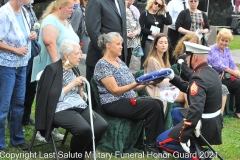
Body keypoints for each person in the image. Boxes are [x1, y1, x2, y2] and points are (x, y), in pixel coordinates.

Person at [93, 32, 165, 154]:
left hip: (126, 100)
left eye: (121, 44)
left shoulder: (120, 63)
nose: (121, 46)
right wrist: (137, 83)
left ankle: (160, 143)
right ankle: (151, 146)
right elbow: (115, 91)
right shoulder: (102, 65)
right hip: (112, 103)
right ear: (108, 45)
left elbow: (133, 88)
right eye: (118, 44)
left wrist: (149, 82)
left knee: (157, 102)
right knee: (153, 106)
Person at [36, 39, 108, 159]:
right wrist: (72, 84)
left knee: (101, 125)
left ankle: (85, 152)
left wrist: (80, 89)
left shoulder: (74, 69)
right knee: (83, 129)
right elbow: (50, 99)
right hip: (60, 109)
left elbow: (83, 98)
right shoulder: (52, 69)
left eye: (80, 53)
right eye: (77, 53)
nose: (80, 56)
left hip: (79, 106)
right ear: (66, 56)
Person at [156, 42, 223, 158]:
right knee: (176, 112)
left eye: (187, 56)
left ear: (194, 57)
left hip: (204, 125)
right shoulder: (210, 72)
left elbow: (196, 109)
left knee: (160, 142)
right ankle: (194, 144)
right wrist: (173, 77)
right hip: (214, 123)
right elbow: (191, 89)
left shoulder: (199, 77)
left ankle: (199, 153)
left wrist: (183, 135)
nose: (186, 61)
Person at [0, 0, 38, 151]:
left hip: (22, 64)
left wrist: (32, 34)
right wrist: (13, 50)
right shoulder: (4, 13)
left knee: (18, 103)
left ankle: (17, 139)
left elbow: (22, 33)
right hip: (6, 66)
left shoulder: (24, 10)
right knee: (3, 106)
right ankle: (1, 143)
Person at [175, 33, 229, 115]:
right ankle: (188, 115)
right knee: (191, 91)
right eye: (191, 43)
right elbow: (188, 74)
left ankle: (219, 114)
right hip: (188, 81)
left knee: (223, 88)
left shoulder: (199, 56)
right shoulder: (183, 57)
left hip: (200, 80)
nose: (194, 45)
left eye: (195, 43)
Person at [31, 0, 79, 82]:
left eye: (73, 8)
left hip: (66, 68)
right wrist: (58, 69)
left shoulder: (66, 21)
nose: (72, 10)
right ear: (60, 8)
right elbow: (50, 44)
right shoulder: (50, 20)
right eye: (70, 8)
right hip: (52, 68)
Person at [85, 0, 127, 83]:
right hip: (100, 58)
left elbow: (122, 29)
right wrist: (108, 54)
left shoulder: (121, 2)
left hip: (119, 59)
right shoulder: (95, 2)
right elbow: (94, 32)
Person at [143, 33, 188, 110]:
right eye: (160, 43)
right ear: (155, 45)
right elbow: (158, 82)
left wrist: (176, 81)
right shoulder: (152, 60)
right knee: (186, 93)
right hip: (156, 89)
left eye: (165, 43)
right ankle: (188, 118)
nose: (163, 45)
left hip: (165, 87)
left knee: (187, 90)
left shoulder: (165, 59)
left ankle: (187, 117)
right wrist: (174, 81)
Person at [208, 28, 240, 118]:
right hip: (216, 79)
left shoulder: (227, 50)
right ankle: (238, 112)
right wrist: (236, 73)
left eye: (226, 41)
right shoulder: (211, 50)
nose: (224, 43)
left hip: (227, 77)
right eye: (222, 40)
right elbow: (221, 66)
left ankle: (238, 110)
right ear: (218, 39)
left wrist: (237, 71)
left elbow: (231, 63)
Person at [139, 0, 172, 69]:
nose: (157, 6)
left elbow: (169, 22)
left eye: (159, 5)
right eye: (156, 3)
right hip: (147, 41)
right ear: (152, 2)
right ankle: (143, 76)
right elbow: (140, 28)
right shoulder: (145, 14)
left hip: (158, 41)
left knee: (157, 59)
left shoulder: (160, 16)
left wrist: (167, 11)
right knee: (146, 59)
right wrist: (151, 32)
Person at [22, 0, 38, 126]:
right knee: (21, 88)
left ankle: (26, 117)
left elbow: (35, 28)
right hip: (22, 54)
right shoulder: (18, 8)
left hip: (33, 53)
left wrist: (34, 33)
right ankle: (15, 119)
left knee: (31, 87)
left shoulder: (30, 8)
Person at [167, 0, 189, 65]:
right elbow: (169, 19)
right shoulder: (172, 3)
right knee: (172, 52)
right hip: (174, 32)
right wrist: (178, 26)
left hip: (186, 32)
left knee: (183, 52)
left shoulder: (189, 2)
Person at [125, 0, 141, 67]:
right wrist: (125, 34)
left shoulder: (133, 11)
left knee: (128, 62)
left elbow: (139, 27)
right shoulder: (119, 11)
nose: (131, 2)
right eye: (129, 0)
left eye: (132, 1)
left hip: (131, 43)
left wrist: (136, 32)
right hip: (121, 42)